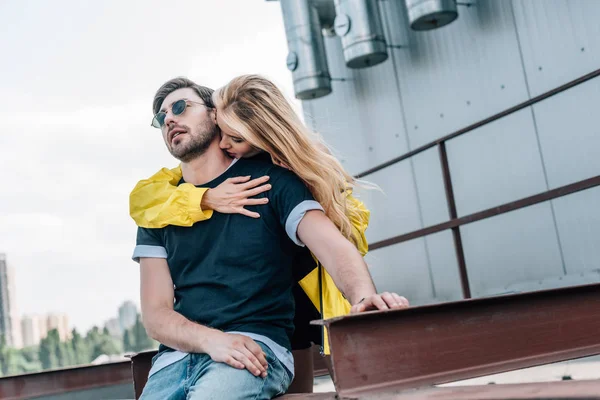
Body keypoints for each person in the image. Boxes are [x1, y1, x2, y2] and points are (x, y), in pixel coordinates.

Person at [132, 75, 409, 399]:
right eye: (161, 117)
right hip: (173, 363)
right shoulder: (159, 208)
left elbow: (333, 248)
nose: (169, 119)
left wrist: (363, 298)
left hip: (252, 347)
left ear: (214, 114)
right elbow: (155, 315)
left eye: (180, 106)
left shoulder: (272, 181)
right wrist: (212, 342)